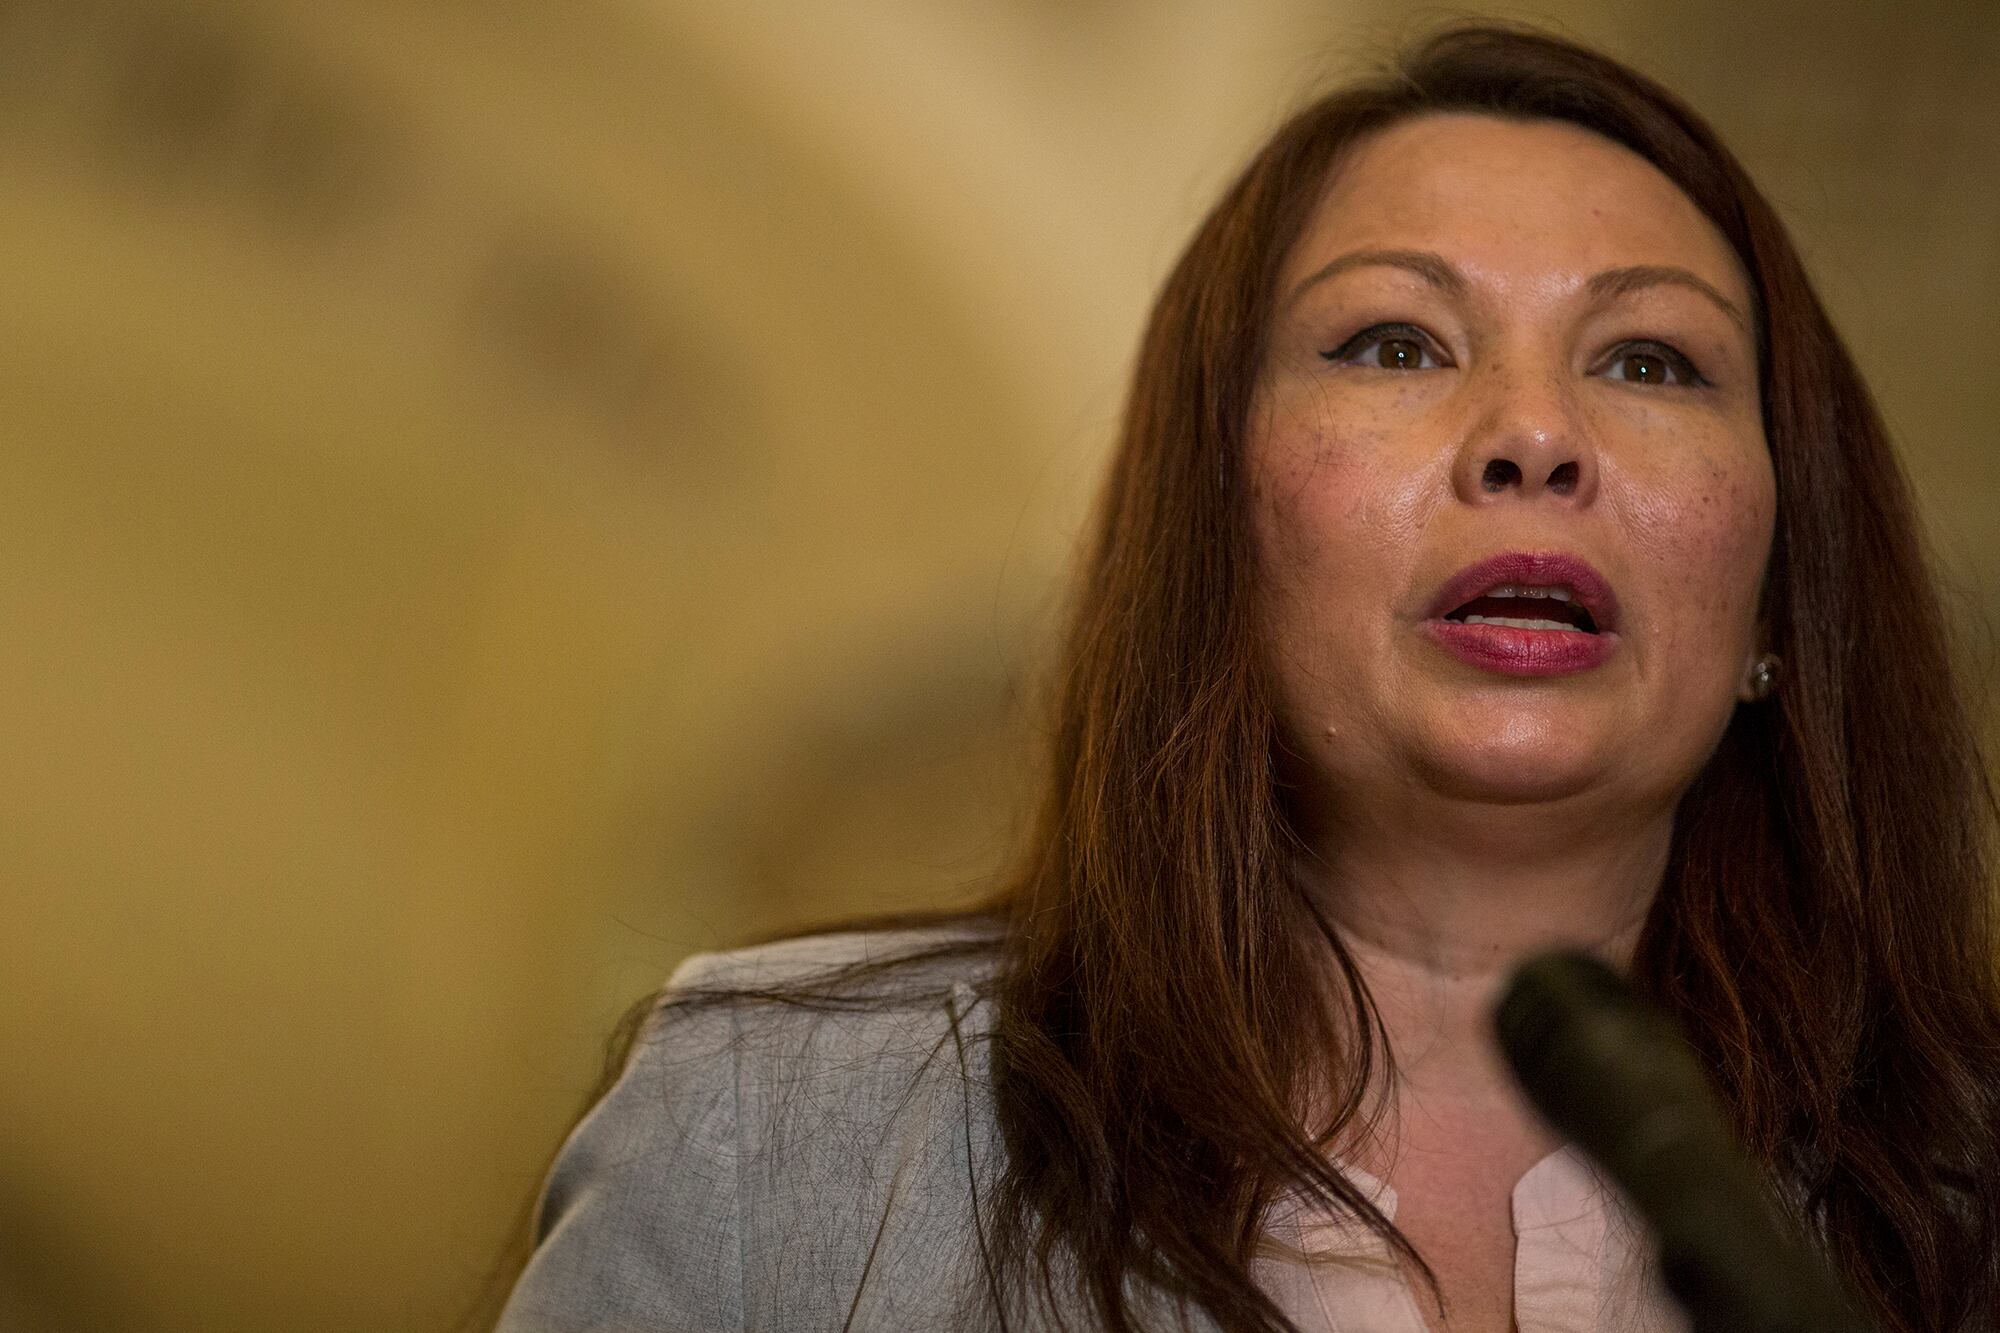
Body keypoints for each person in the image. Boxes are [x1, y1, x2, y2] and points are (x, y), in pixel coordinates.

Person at [497, 21, 2000, 1333]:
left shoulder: (1967, 1200)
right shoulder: (773, 1130)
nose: (1533, 432)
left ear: (1779, 598)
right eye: (1396, 342)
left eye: (1651, 362)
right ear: (1215, 536)